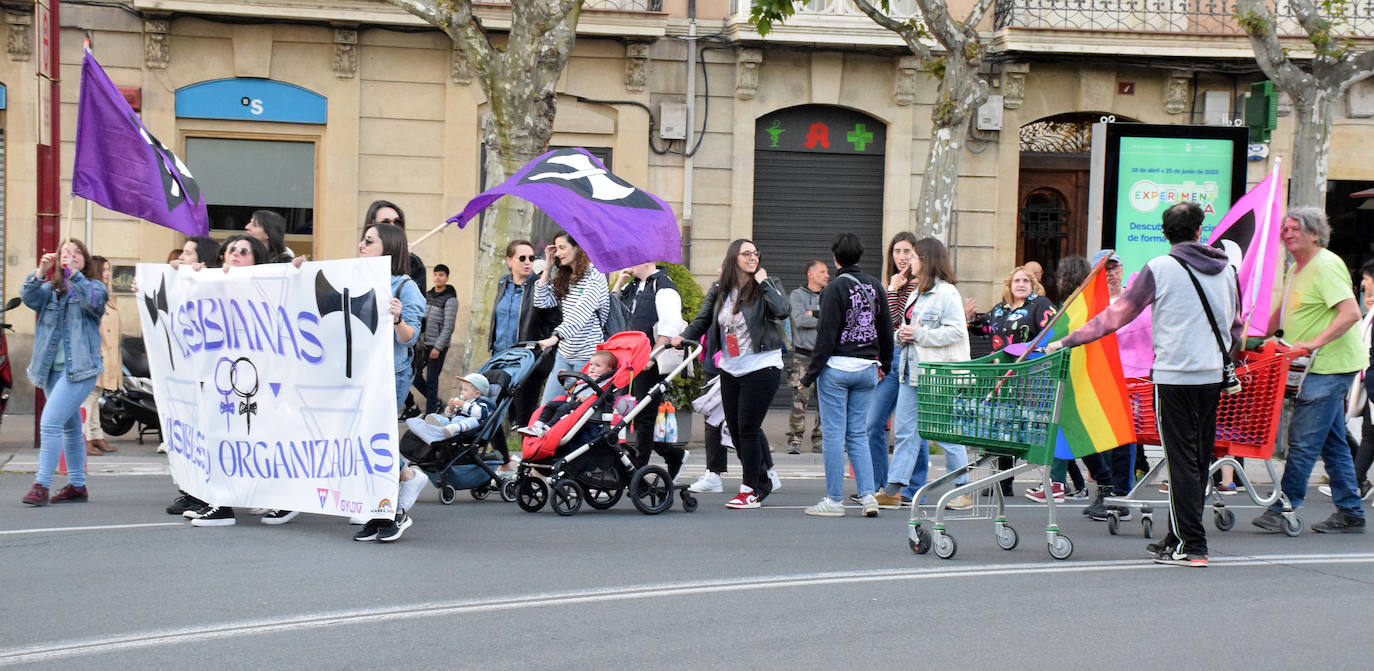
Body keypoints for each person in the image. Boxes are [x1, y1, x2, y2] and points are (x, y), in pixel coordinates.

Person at [1049, 201, 1241, 567]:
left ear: (1166, 233)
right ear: (1201, 230)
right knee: (1198, 460)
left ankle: (1192, 545)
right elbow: (1235, 327)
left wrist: (1068, 339)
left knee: (1181, 460)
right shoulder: (1227, 270)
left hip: (1173, 377)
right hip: (1213, 377)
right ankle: (1177, 537)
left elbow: (1117, 315)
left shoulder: (1160, 268)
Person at [1251, 206, 1367, 535]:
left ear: (1316, 234)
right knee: (1331, 443)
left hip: (1328, 366)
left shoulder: (1326, 265)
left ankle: (1283, 507)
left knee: (1302, 440)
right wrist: (1255, 337)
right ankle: (1350, 512)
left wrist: (1312, 343)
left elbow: (1350, 313)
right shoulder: (1295, 269)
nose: (1288, 234)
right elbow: (1282, 312)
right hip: (1309, 366)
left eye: (1296, 229)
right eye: (1285, 229)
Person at [181, 235, 302, 526]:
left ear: (256, 260)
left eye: (244, 251)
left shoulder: (267, 288)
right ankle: (222, 503)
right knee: (222, 437)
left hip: (262, 380)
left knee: (264, 440)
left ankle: (285, 498)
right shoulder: (212, 285)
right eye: (231, 249)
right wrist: (183, 282)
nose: (235, 253)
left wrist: (295, 275)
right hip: (224, 379)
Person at [673, 239, 788, 509]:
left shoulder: (767, 286)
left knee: (747, 429)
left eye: (755, 253)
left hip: (762, 366)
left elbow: (782, 311)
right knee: (735, 431)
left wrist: (764, 282)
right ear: (733, 258)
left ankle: (749, 489)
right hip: (730, 367)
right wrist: (683, 338)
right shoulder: (721, 289)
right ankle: (762, 480)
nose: (752, 258)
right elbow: (703, 320)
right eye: (745, 253)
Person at [799, 233, 892, 517]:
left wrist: (809, 375)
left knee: (834, 436)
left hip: (837, 369)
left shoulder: (834, 288)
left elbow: (825, 336)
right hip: (867, 369)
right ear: (860, 255)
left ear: (835, 256)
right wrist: (884, 364)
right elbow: (886, 328)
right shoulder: (875, 286)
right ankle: (868, 496)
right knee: (858, 435)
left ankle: (834, 500)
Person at [878, 237, 973, 511]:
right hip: (910, 371)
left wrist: (919, 334)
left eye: (915, 256)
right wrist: (902, 335)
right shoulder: (916, 291)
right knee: (906, 432)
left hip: (937, 373)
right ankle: (894, 490)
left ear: (927, 260)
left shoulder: (947, 294)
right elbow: (905, 327)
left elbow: (956, 331)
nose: (910, 260)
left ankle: (963, 488)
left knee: (943, 432)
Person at [353, 223, 429, 543]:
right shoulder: (358, 277)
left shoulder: (405, 287)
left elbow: (408, 338)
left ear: (387, 248)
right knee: (361, 439)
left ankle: (392, 512)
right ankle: (401, 482)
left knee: (376, 441)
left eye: (369, 241)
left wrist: (397, 318)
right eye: (362, 239)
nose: (361, 245)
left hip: (390, 374)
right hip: (362, 373)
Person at [20, 240, 108, 506]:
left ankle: (41, 485)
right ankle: (77, 486)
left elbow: (91, 302)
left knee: (49, 423)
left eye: (77, 252)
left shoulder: (94, 287)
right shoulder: (50, 290)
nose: (72, 256)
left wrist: (75, 275)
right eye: (65, 253)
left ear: (86, 259)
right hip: (50, 370)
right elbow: (29, 297)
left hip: (79, 370)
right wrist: (40, 271)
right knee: (70, 428)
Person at [969, 265, 1059, 500]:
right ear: (1009, 285)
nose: (1020, 284)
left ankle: (1066, 480)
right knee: (1001, 426)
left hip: (1028, 375)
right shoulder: (1001, 309)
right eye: (1016, 281)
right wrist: (971, 318)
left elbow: (1053, 331)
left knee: (1031, 426)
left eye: (1026, 281)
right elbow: (984, 328)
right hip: (1001, 375)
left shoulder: (1040, 305)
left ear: (1033, 285)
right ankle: (1003, 481)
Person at [619, 261, 688, 480]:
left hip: (650, 361)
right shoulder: (633, 286)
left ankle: (640, 468)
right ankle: (673, 454)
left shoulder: (663, 286)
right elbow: (613, 307)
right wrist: (620, 281)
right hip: (629, 359)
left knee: (644, 415)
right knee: (626, 413)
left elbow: (669, 328)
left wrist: (652, 356)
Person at [865, 232, 919, 505]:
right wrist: (891, 290)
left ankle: (912, 488)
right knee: (873, 424)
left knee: (910, 427)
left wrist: (893, 291)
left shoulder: (919, 286)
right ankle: (881, 486)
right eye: (897, 251)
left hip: (912, 357)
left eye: (907, 251)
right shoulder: (890, 284)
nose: (902, 257)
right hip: (890, 357)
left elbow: (898, 319)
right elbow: (881, 324)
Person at [534, 233, 610, 404]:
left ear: (578, 248)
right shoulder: (566, 276)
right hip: (564, 354)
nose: (558, 253)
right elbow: (541, 302)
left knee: (578, 412)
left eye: (562, 248)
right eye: (556, 249)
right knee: (547, 406)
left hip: (588, 357)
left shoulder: (594, 276)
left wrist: (555, 337)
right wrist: (547, 267)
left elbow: (580, 314)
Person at [518, 350, 620, 437]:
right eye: (591, 364)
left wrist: (588, 398)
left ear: (608, 370)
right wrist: (566, 379)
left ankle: (546, 429)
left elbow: (600, 394)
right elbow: (575, 390)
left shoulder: (604, 381)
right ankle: (537, 425)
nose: (592, 368)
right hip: (574, 402)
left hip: (586, 406)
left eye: (597, 366)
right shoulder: (587, 378)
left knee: (564, 408)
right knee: (550, 404)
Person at [786, 259, 828, 454]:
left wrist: (815, 313)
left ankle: (819, 440)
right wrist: (824, 319)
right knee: (799, 401)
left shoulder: (830, 294)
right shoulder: (797, 295)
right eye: (822, 272)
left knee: (825, 402)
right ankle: (795, 440)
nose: (827, 275)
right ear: (810, 274)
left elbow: (837, 319)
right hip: (803, 357)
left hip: (826, 357)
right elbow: (800, 319)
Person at [81, 256, 121, 455]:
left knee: (96, 395)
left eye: (108, 270)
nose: (107, 274)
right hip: (96, 353)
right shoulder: (93, 295)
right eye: (104, 270)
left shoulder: (105, 294)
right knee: (88, 397)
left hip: (107, 353)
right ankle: (85, 438)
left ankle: (96, 435)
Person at [404, 373, 494, 444]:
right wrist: (451, 409)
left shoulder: (481, 402)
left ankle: (453, 428)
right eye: (462, 389)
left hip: (469, 425)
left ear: (477, 394)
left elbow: (481, 414)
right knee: (442, 418)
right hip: (454, 421)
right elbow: (451, 415)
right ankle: (437, 423)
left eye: (465, 390)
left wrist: (463, 405)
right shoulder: (463, 401)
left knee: (473, 421)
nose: (462, 392)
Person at [419, 264, 459, 414]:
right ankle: (435, 403)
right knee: (415, 376)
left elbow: (448, 327)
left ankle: (431, 412)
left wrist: (437, 347)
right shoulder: (427, 296)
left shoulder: (450, 300)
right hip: (423, 345)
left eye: (441, 275)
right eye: (436, 275)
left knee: (431, 380)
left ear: (447, 278)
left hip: (437, 346)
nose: (438, 278)